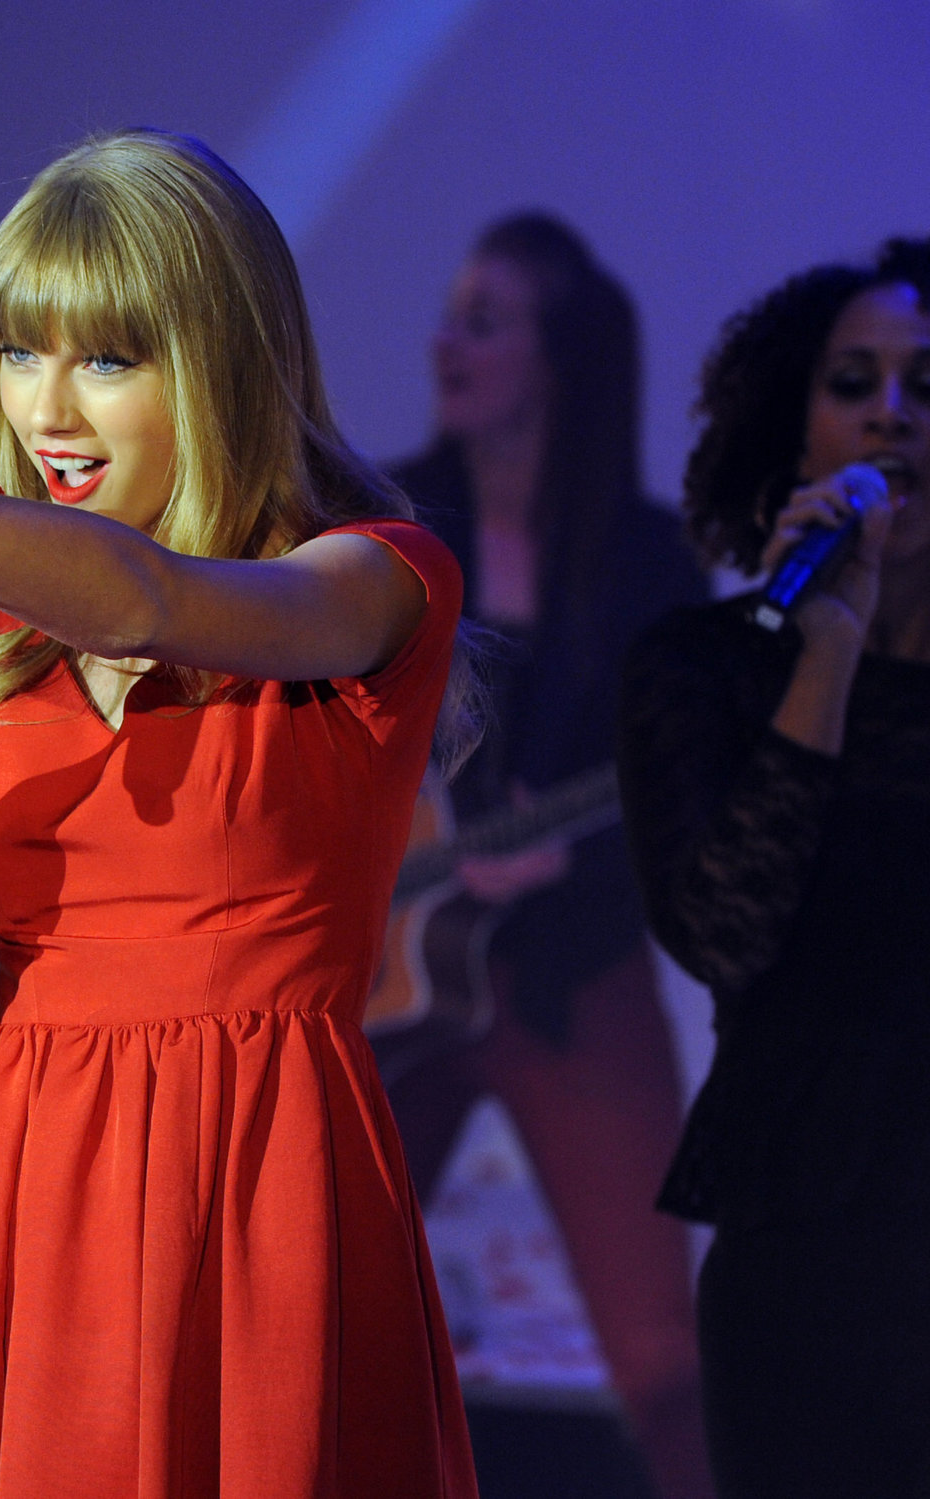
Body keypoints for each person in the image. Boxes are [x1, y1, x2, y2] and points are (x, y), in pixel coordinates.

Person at [0, 130, 477, 1497]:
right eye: (17, 353)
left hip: (255, 1167)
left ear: (219, 361)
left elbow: (149, 601)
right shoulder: (0, 632)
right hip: (23, 1170)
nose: (46, 409)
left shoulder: (368, 576)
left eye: (107, 360)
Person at [383, 214, 712, 1499]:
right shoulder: (385, 520)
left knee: (662, 1358)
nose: (445, 343)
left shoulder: (645, 560)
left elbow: (680, 794)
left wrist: (566, 868)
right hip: (391, 982)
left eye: (483, 321)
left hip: (575, 980)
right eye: (447, 314)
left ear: (556, 355)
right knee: (314, 1321)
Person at [619, 237, 930, 1498]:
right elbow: (723, 933)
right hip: (810, 1263)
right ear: (794, 432)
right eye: (853, 383)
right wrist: (828, 650)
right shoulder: (706, 665)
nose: (891, 412)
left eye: (926, 386)